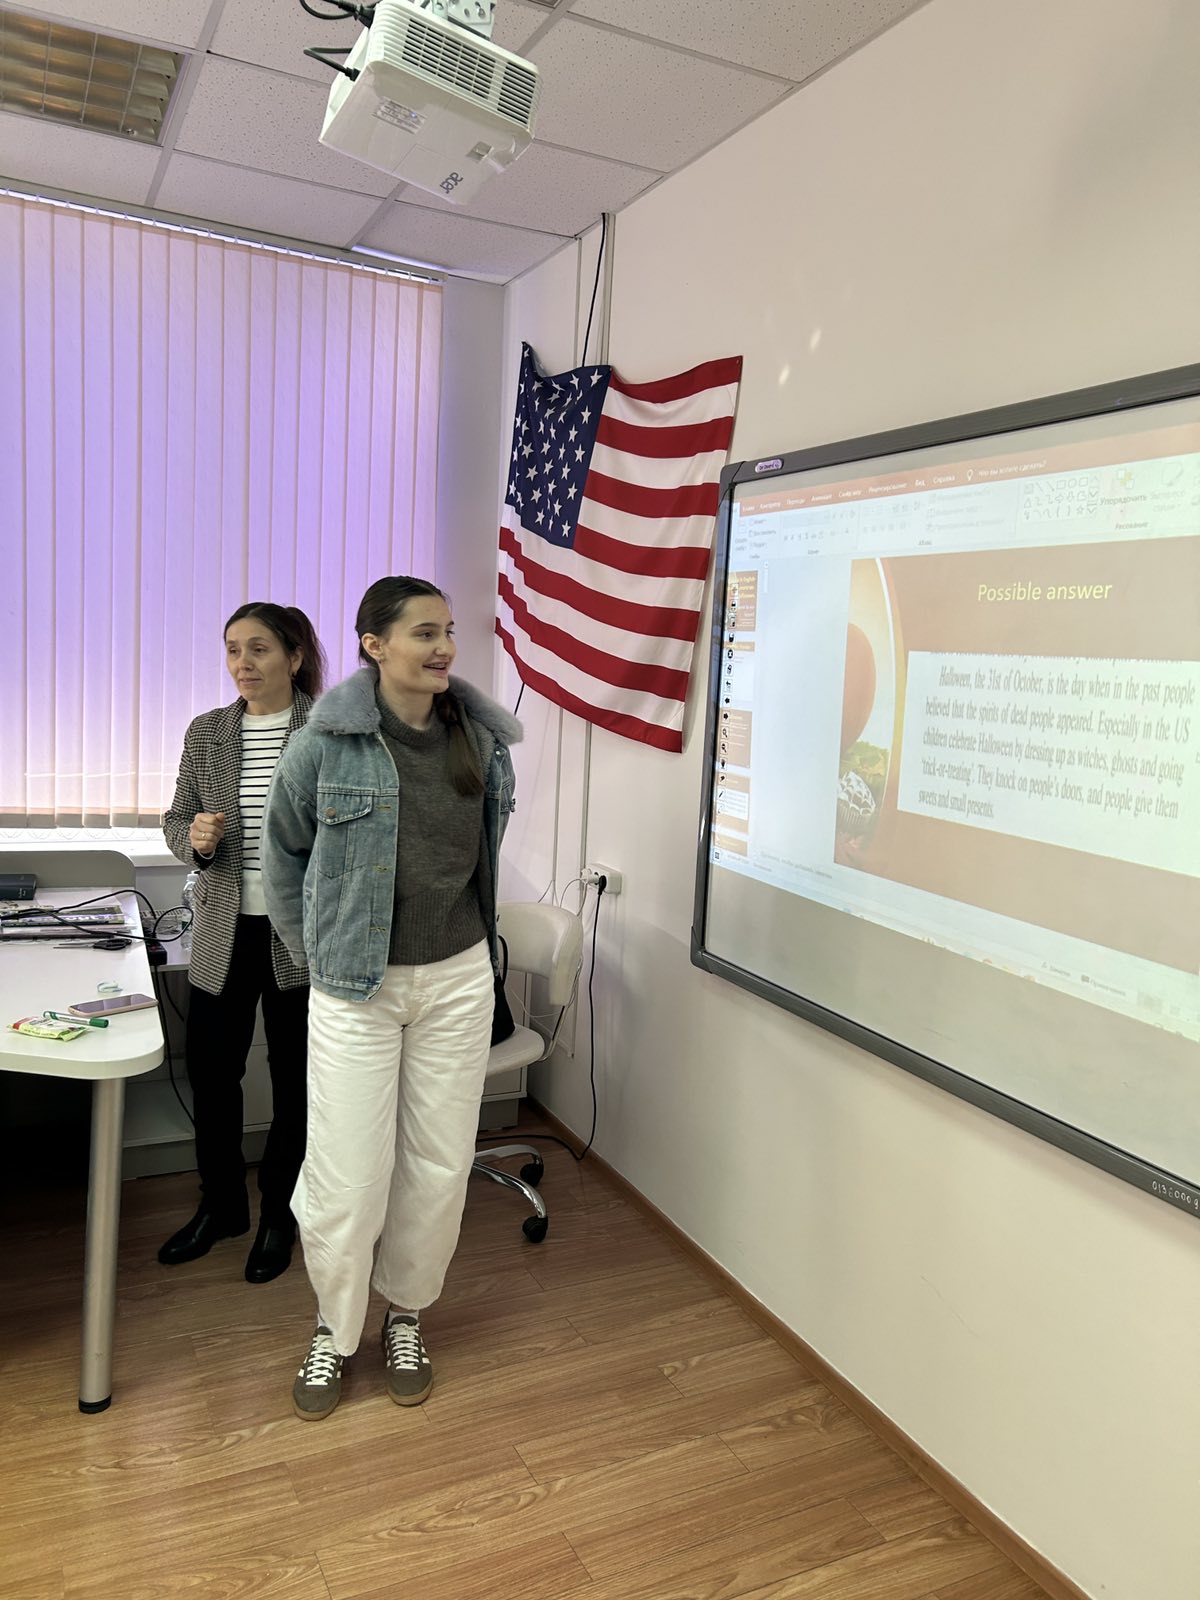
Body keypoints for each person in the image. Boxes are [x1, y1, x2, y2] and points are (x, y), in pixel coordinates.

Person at [261, 576, 521, 1421]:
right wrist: (317, 959)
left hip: (457, 978)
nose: (444, 647)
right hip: (354, 987)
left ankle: (405, 1314)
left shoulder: (481, 739)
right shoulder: (324, 743)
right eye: (423, 633)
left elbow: (480, 857)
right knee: (347, 1175)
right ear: (374, 645)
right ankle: (334, 1329)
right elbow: (282, 858)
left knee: (438, 1166)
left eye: (447, 631)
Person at [159, 602, 327, 1284]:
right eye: (233, 649)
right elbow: (175, 820)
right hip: (223, 932)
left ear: (294, 656)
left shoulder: (332, 728)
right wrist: (194, 839)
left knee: (297, 1081)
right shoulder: (208, 732)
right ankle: (222, 1205)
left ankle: (281, 1214)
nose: (242, 663)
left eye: (259, 648)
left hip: (303, 938)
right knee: (211, 1074)